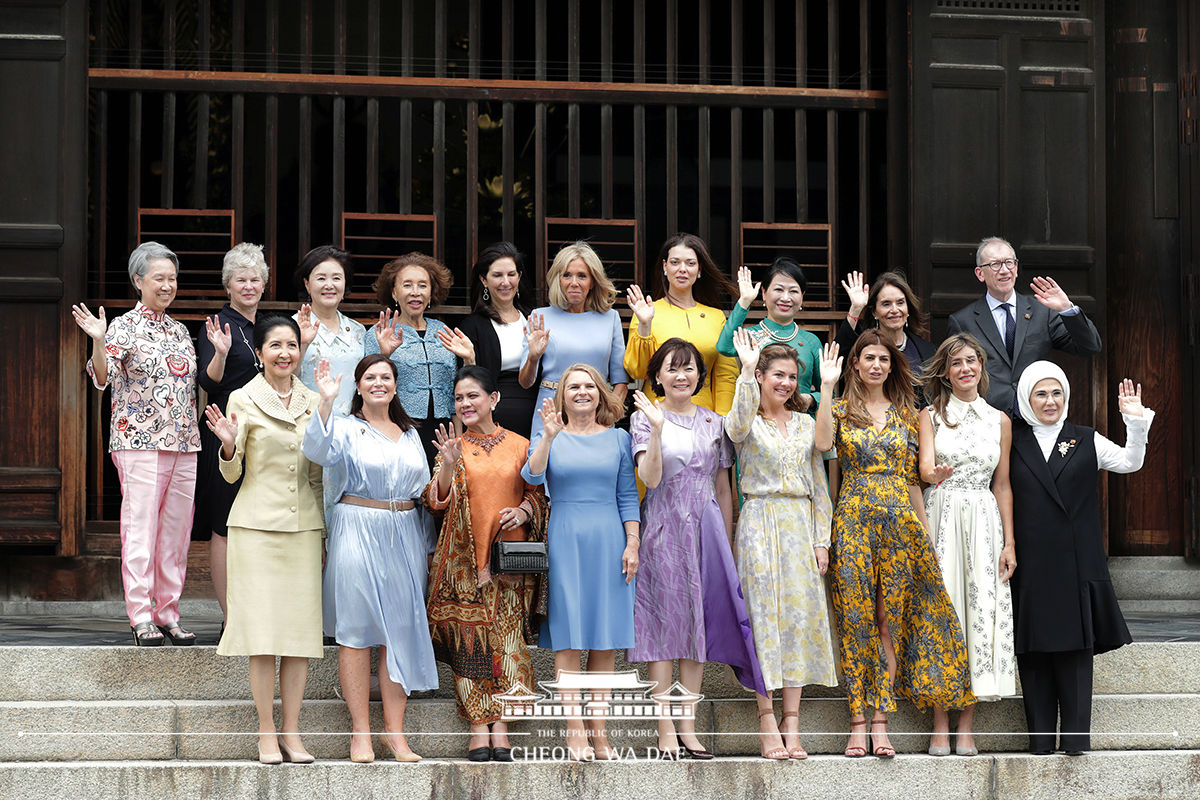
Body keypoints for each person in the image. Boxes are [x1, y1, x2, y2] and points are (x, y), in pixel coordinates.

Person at [815, 333, 974, 758]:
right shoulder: (840, 410)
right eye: (869, 358)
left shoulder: (912, 413)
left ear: (893, 365)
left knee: (888, 621)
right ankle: (856, 721)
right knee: (855, 621)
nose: (877, 365)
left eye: (884, 359)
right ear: (856, 364)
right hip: (851, 521)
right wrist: (827, 387)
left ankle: (881, 721)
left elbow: (915, 478)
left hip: (900, 523)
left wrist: (926, 529)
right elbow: (823, 446)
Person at [627, 338, 766, 760]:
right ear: (657, 376)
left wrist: (725, 539)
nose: (681, 375)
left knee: (698, 625)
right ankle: (664, 726)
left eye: (689, 369)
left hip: (705, 524)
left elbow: (723, 487)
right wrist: (658, 430)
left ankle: (688, 724)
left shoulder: (713, 422)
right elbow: (649, 479)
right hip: (662, 524)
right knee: (663, 625)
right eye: (672, 368)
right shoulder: (644, 418)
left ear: (699, 376)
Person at [1009, 362, 1152, 755]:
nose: (1050, 401)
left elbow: (1130, 462)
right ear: (1026, 398)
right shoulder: (1011, 439)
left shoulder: (1086, 438)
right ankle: (1038, 743)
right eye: (1041, 393)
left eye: (1057, 393)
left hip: (1075, 562)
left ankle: (1074, 742)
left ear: (1067, 397)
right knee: (1033, 649)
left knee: (1075, 651)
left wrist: (1135, 423)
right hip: (1029, 563)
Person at [303, 354, 436, 764]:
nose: (379, 383)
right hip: (358, 527)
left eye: (386, 377)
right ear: (358, 386)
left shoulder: (411, 432)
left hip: (406, 531)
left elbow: (423, 488)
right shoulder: (344, 426)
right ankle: (360, 733)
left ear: (396, 385)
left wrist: (428, 546)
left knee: (401, 632)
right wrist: (325, 402)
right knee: (357, 633)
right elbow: (317, 450)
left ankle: (395, 735)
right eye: (370, 377)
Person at [204, 315, 323, 765]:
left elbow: (316, 476)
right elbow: (231, 472)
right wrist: (229, 445)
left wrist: (322, 532)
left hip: (303, 531)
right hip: (254, 527)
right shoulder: (242, 397)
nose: (284, 353)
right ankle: (266, 731)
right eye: (275, 345)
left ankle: (292, 732)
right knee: (264, 635)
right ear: (260, 352)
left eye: (291, 345)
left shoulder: (314, 400)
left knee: (298, 636)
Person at [71, 241, 201, 646]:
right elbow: (100, 377)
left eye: (172, 278)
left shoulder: (180, 330)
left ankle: (168, 613)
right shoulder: (122, 327)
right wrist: (97, 338)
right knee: (141, 530)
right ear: (138, 281)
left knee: (176, 534)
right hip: (138, 440)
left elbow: (192, 388)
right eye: (159, 278)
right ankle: (141, 615)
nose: (167, 285)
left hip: (183, 442)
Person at [423, 366, 549, 762]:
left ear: (493, 399)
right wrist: (446, 464)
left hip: (508, 561)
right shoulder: (452, 446)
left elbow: (539, 495)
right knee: (470, 646)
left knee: (509, 645)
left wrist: (525, 513)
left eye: (472, 396)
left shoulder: (520, 444)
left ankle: (502, 726)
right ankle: (479, 725)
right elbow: (435, 501)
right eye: (459, 398)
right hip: (462, 565)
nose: (465, 404)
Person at [725, 330, 836, 760]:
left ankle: (793, 724)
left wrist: (821, 540)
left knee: (797, 620)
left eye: (792, 376)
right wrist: (745, 373)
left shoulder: (807, 423)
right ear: (762, 375)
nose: (786, 383)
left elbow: (822, 464)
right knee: (763, 619)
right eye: (778, 375)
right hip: (758, 522)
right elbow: (733, 427)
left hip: (799, 525)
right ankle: (766, 719)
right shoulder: (747, 419)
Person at [521, 364, 639, 761]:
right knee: (569, 636)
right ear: (563, 395)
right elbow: (532, 477)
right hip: (565, 537)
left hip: (610, 538)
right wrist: (550, 437)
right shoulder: (548, 432)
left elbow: (627, 495)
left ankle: (599, 731)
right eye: (574, 386)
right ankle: (574, 730)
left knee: (604, 638)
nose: (583, 392)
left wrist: (633, 542)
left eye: (590, 385)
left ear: (602, 393)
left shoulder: (620, 439)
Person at [918, 333, 1018, 756]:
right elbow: (922, 470)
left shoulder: (1000, 420)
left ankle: (966, 726)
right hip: (941, 513)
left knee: (980, 611)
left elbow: (1003, 484)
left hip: (983, 521)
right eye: (956, 363)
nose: (964, 369)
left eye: (971, 361)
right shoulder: (929, 416)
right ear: (944, 370)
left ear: (981, 367)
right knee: (944, 613)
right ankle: (939, 723)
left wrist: (1009, 542)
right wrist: (934, 475)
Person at [193, 241, 269, 625]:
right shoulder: (217, 325)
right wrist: (220, 352)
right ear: (228, 285)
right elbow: (208, 381)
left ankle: (258, 608)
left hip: (266, 433)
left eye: (256, 278)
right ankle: (230, 616)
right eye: (241, 279)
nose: (249, 285)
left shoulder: (269, 327)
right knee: (223, 524)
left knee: (258, 521)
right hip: (226, 430)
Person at [946, 236, 1102, 415]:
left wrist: (1067, 309)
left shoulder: (1042, 312)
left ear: (1017, 268)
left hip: (1036, 418)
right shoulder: (963, 321)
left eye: (1009, 263)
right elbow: (954, 375)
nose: (1004, 271)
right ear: (980, 273)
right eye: (995, 264)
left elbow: (1090, 346)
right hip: (988, 420)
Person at [520, 242, 629, 439]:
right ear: (558, 279)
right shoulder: (539, 317)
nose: (574, 282)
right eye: (567, 275)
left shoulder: (610, 318)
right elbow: (526, 382)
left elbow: (621, 382)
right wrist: (533, 357)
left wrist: (607, 416)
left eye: (582, 276)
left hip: (595, 411)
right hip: (551, 409)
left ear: (593, 281)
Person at [364, 252, 465, 465]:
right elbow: (369, 387)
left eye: (422, 285)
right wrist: (385, 355)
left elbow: (455, 388)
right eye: (407, 285)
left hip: (444, 433)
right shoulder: (379, 332)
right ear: (394, 292)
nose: (415, 293)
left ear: (431, 292)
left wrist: (459, 436)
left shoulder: (444, 331)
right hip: (399, 429)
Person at [624, 232, 738, 414]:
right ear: (664, 266)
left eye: (690, 263)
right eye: (675, 262)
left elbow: (726, 376)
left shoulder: (716, 317)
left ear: (699, 269)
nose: (682, 269)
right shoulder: (646, 311)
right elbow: (637, 371)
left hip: (705, 417)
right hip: (656, 414)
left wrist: (723, 418)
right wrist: (645, 324)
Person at [716, 258, 824, 415]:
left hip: (802, 428)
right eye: (779, 290)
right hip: (758, 425)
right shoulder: (750, 336)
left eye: (793, 291)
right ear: (764, 293)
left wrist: (812, 400)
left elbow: (828, 392)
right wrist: (744, 302)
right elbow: (724, 347)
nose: (786, 298)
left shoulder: (811, 341)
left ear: (802, 297)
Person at [455, 242, 539, 439]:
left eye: (511, 274)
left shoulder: (534, 319)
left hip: (537, 415)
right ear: (484, 280)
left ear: (519, 276)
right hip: (493, 420)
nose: (505, 282)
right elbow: (467, 380)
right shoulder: (472, 325)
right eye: (497, 275)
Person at [294, 245, 366, 416]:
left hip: (351, 428)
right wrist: (303, 345)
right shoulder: (290, 327)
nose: (329, 285)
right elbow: (280, 379)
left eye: (336, 278)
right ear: (307, 284)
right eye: (320, 278)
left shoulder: (358, 330)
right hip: (307, 426)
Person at [836, 269, 936, 379]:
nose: (894, 309)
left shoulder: (927, 350)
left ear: (908, 308)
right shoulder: (863, 346)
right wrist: (856, 309)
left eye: (900, 302)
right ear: (874, 312)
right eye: (886, 304)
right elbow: (836, 361)